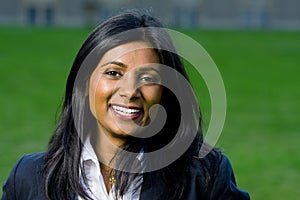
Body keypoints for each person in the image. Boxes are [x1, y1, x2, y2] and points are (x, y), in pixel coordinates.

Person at [2, 10, 250, 200]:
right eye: (113, 73)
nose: (130, 92)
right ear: (85, 82)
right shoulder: (28, 178)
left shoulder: (205, 176)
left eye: (148, 78)